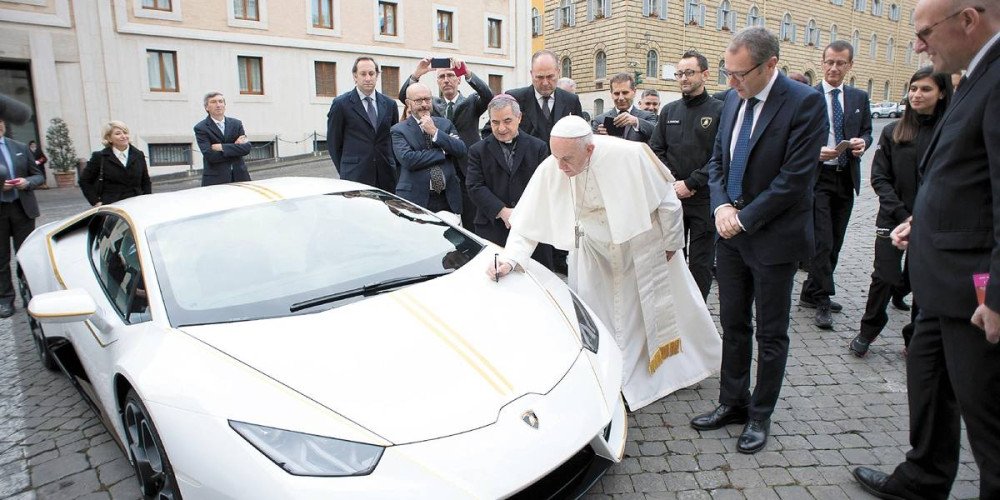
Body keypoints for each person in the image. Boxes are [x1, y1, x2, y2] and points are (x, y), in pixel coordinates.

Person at [853, 2, 1000, 499]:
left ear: (968, 19)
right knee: (930, 386)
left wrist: (997, 295)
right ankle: (924, 477)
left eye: (923, 32)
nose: (917, 45)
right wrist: (922, 223)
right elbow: (967, 182)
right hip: (939, 287)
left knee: (990, 427)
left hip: (975, 297)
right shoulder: (971, 78)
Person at [488, 115, 722, 411]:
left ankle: (665, 374)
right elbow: (526, 221)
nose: (561, 168)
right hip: (593, 252)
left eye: (567, 159)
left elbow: (668, 202)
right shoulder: (556, 164)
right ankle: (610, 374)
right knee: (598, 316)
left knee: (643, 315)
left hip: (639, 246)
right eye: (556, 157)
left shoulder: (630, 155)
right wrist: (510, 259)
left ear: (590, 149)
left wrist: (671, 244)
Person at [693, 27, 828, 454]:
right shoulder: (732, 99)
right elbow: (716, 162)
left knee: (771, 334)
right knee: (734, 324)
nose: (730, 83)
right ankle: (732, 401)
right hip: (730, 234)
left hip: (772, 239)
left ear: (771, 65)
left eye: (739, 74)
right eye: (726, 73)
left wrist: (743, 217)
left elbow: (795, 179)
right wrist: (720, 209)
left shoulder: (805, 103)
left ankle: (759, 415)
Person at [850, 67, 951, 357]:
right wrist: (902, 214)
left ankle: (915, 337)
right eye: (914, 88)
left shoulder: (949, 131)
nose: (917, 95)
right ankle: (868, 331)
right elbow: (880, 178)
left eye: (926, 89)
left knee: (921, 281)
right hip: (893, 219)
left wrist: (921, 217)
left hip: (933, 221)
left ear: (941, 93)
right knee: (884, 277)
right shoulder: (894, 131)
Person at [799, 40, 873, 330]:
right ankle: (823, 300)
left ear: (849, 66)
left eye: (840, 63)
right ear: (822, 62)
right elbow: (796, 137)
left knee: (836, 242)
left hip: (846, 177)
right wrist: (814, 151)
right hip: (818, 178)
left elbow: (867, 130)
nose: (833, 67)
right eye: (829, 61)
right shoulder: (808, 96)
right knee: (822, 241)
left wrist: (862, 142)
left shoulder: (858, 98)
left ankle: (810, 291)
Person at [649, 50, 724, 300]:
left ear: (705, 74)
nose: (683, 78)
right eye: (679, 73)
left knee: (701, 264)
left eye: (689, 73)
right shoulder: (669, 111)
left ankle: (698, 310)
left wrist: (692, 183)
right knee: (671, 256)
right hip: (672, 199)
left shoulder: (719, 111)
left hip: (703, 199)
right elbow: (656, 150)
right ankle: (675, 306)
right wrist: (674, 181)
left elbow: (720, 156)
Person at [399, 57, 493, 228]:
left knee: (471, 218)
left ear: (458, 79)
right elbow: (406, 96)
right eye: (442, 77)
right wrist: (417, 74)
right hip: (441, 169)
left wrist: (467, 72)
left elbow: (488, 96)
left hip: (467, 168)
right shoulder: (431, 103)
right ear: (437, 81)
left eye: (450, 75)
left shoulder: (472, 102)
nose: (446, 80)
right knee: (445, 221)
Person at [465, 95, 553, 270]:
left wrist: (521, 213)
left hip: (532, 229)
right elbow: (474, 186)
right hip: (492, 228)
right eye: (495, 122)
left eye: (507, 121)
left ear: (519, 118)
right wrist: (502, 211)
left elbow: (544, 187)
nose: (501, 128)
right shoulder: (477, 150)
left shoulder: (538, 147)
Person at [391, 83, 467, 214]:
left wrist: (435, 132)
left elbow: (460, 149)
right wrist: (442, 152)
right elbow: (408, 159)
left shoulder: (445, 124)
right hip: (415, 199)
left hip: (448, 198)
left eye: (427, 99)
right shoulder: (398, 130)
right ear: (408, 103)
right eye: (419, 100)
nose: (424, 104)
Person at [327, 56, 399, 192]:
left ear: (377, 75)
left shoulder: (390, 104)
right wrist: (346, 169)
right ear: (355, 76)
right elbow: (333, 143)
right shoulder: (341, 104)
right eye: (363, 74)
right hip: (355, 176)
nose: (368, 78)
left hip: (386, 176)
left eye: (371, 74)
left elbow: (393, 140)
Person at [0, 119, 45, 318]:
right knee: (1, 259)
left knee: (26, 255)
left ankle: (30, 296)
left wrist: (27, 182)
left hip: (22, 209)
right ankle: (5, 300)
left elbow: (38, 176)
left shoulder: (19, 147)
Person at [501, 50, 584, 144]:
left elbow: (582, 135)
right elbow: (491, 131)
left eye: (550, 77)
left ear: (558, 72)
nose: (545, 83)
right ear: (531, 74)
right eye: (539, 77)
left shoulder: (571, 100)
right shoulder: (514, 99)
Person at [80, 121, 152, 206]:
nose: (123, 136)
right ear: (109, 138)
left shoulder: (138, 155)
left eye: (125, 132)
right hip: (112, 206)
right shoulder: (100, 157)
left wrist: (147, 200)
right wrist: (95, 202)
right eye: (118, 133)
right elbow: (84, 181)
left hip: (137, 204)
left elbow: (145, 181)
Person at [194, 92, 252, 186]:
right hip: (216, 180)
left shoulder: (236, 124)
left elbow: (246, 148)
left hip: (241, 177)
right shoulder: (201, 128)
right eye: (213, 102)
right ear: (206, 107)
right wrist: (235, 148)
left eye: (220, 101)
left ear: (225, 105)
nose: (218, 105)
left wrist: (221, 147)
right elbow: (210, 156)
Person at [591, 73, 656, 142]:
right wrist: (600, 138)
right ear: (611, 94)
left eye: (625, 93)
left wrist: (635, 121)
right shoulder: (600, 120)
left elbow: (656, 134)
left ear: (634, 92)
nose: (621, 98)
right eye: (616, 93)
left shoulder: (648, 116)